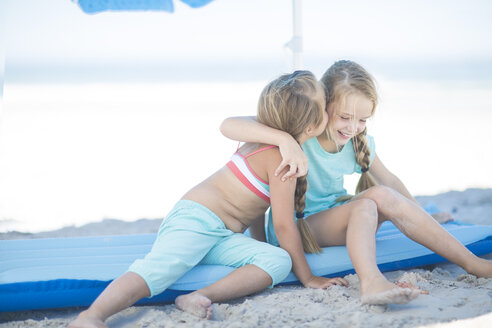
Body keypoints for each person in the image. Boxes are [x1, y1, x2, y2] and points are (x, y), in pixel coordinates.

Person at [68, 70, 348, 328]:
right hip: (196, 219)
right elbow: (285, 226)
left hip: (222, 236)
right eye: (325, 107)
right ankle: (91, 316)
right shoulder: (281, 156)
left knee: (276, 260)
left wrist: (259, 244)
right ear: (311, 128)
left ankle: (197, 296)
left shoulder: (274, 142)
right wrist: (309, 277)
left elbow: (255, 208)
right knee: (158, 272)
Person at [219, 60, 492, 305]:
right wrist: (285, 140)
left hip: (334, 218)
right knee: (365, 206)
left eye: (362, 119)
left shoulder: (358, 144)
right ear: (323, 107)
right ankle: (371, 282)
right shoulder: (304, 131)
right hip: (298, 228)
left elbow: (390, 180)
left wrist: (421, 214)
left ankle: (472, 263)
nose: (352, 128)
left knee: (381, 195)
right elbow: (229, 125)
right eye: (344, 117)